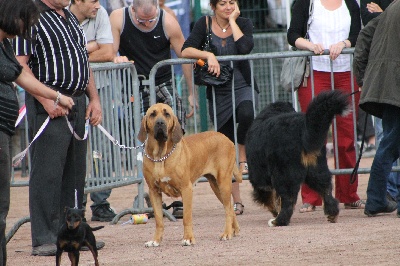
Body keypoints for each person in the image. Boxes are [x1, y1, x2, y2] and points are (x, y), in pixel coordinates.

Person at [13, 0, 102, 256]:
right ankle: (44, 238)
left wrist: (94, 99)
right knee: (48, 172)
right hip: (49, 102)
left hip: (77, 100)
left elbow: (82, 61)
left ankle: (75, 236)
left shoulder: (70, 17)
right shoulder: (29, 16)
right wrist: (46, 99)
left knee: (75, 172)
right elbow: (20, 65)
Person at [0, 0, 75, 263]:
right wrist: (50, 99)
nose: (24, 29)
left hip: (6, 127)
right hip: (6, 125)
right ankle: (43, 236)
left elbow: (20, 75)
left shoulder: (5, 45)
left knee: (2, 203)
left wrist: (56, 96)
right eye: (23, 22)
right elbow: (23, 71)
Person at [110, 0, 194, 218]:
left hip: (162, 81)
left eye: (151, 20)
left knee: (176, 128)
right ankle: (147, 191)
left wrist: (192, 92)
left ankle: (178, 190)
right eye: (141, 20)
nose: (147, 24)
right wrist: (115, 56)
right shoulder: (118, 18)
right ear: (133, 9)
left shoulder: (168, 21)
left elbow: (184, 56)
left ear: (158, 10)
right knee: (140, 136)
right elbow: (108, 50)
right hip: (133, 83)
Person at [181, 0, 259, 215]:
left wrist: (233, 21)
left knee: (247, 114)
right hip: (218, 91)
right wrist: (208, 55)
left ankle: (243, 159)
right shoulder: (203, 24)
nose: (227, 7)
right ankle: (236, 201)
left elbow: (245, 49)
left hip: (242, 83)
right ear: (213, 6)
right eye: (222, 3)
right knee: (224, 147)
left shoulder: (243, 22)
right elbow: (185, 50)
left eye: (231, 2)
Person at [287, 0, 364, 212]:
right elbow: (292, 34)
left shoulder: (351, 3)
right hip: (315, 72)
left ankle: (348, 194)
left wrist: (345, 43)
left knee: (346, 137)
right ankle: (311, 197)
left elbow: (358, 35)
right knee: (312, 137)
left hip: (346, 72)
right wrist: (310, 45)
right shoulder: (305, 2)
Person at [69, 0, 117, 223]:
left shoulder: (101, 14)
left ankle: (101, 203)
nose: (98, 5)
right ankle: (73, 205)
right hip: (71, 89)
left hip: (102, 87)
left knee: (102, 150)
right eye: (93, 0)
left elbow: (108, 52)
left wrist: (74, 56)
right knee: (73, 149)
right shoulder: (59, 15)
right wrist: (91, 46)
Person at [353, 0, 399, 217]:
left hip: (387, 88)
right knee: (390, 144)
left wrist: (362, 77)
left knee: (388, 143)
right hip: (395, 88)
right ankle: (376, 198)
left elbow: (364, 36)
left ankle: (376, 199)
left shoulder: (391, 9)